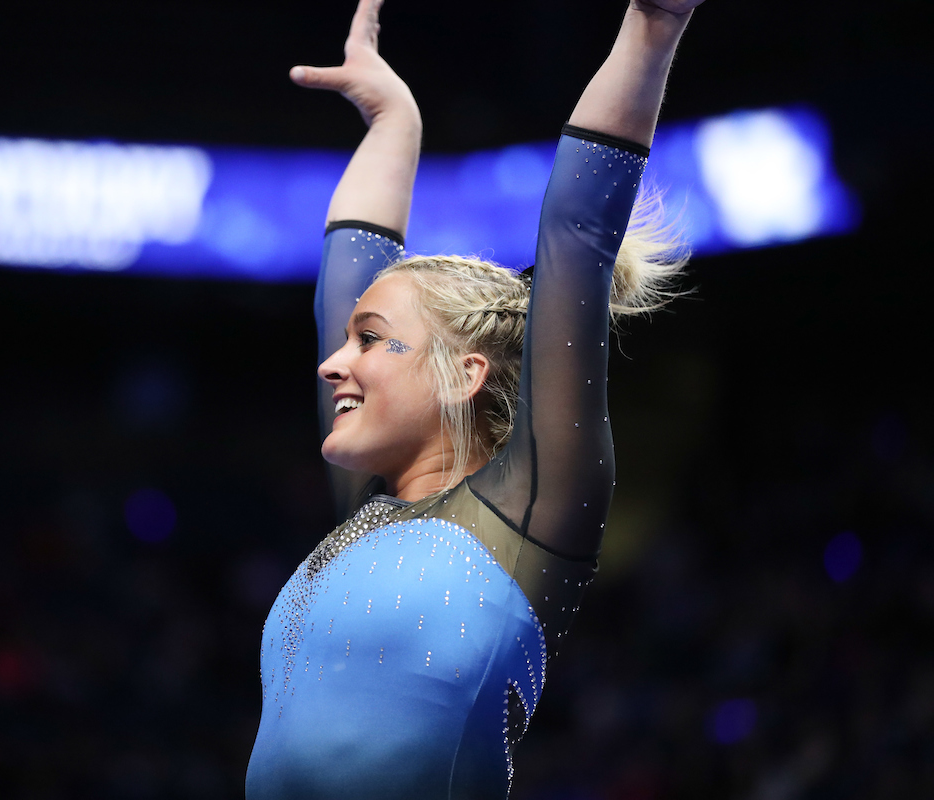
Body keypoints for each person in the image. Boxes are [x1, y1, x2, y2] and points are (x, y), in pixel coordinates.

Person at [246, 1, 702, 797]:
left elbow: (578, 233)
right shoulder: (364, 513)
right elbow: (349, 264)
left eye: (370, 341)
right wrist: (394, 123)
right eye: (345, 339)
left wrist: (651, 24)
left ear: (465, 375)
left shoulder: (526, 512)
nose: (331, 365)